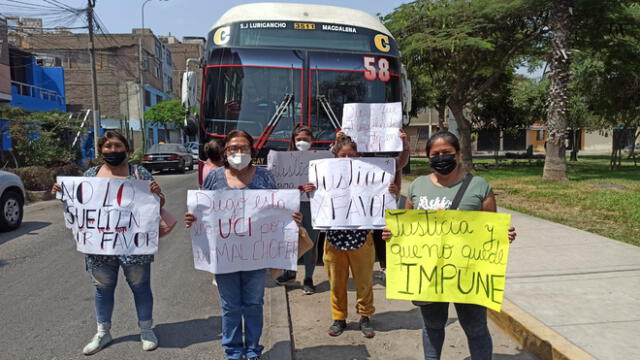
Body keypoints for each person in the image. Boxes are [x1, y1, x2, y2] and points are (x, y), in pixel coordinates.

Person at [382, 131, 517, 360]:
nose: (441, 157)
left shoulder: (479, 186)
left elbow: (489, 229)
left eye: (447, 153)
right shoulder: (417, 186)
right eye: (436, 154)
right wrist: (393, 234)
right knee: (433, 327)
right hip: (429, 272)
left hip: (468, 274)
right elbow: (407, 226)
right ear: (428, 156)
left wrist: (503, 235)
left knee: (476, 328)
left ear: (458, 154)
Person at [184, 130, 302, 360]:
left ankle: (252, 350)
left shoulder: (265, 178)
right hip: (225, 254)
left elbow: (277, 210)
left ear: (252, 150)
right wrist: (192, 218)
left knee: (253, 303)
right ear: (225, 152)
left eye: (243, 148)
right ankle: (233, 351)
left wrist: (292, 217)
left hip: (256, 255)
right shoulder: (214, 177)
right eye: (233, 149)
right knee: (230, 306)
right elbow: (202, 210)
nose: (238, 153)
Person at [51, 130, 164, 355]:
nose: (113, 150)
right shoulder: (91, 175)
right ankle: (103, 332)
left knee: (141, 287)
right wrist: (61, 193)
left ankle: (146, 330)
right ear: (101, 150)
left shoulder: (139, 173)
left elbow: (156, 206)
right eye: (108, 146)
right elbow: (77, 207)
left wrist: (158, 194)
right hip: (99, 247)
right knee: (102, 290)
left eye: (118, 146)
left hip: (133, 246)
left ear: (127, 150)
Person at [304, 136, 398, 339]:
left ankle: (365, 317)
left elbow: (382, 197)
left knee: (364, 282)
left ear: (358, 157)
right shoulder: (324, 177)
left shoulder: (369, 176)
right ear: (335, 157)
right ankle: (339, 318)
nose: (347, 159)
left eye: (352, 156)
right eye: (343, 155)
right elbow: (316, 200)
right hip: (333, 240)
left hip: (362, 239)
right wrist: (310, 190)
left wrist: (391, 191)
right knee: (337, 283)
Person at [275, 124, 321, 294]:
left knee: (310, 242)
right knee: (289, 240)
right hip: (290, 204)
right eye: (299, 139)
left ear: (312, 141)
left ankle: (308, 278)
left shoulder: (320, 160)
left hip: (311, 205)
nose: (302, 142)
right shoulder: (284, 159)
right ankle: (289, 272)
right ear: (293, 141)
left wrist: (314, 186)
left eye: (306, 139)